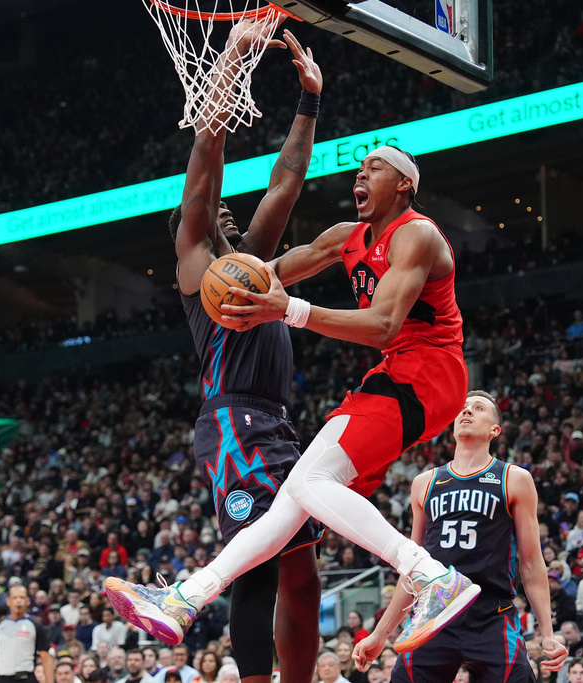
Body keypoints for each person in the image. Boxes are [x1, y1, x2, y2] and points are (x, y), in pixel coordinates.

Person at [109, 86, 476, 652]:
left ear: (404, 184)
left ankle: (430, 574)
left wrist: (309, 101)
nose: (359, 177)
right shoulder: (234, 263)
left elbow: (376, 322)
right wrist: (274, 291)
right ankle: (186, 597)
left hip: (424, 371)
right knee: (297, 504)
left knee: (305, 492)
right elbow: (264, 255)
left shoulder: (417, 232)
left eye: (373, 168)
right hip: (259, 409)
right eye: (357, 169)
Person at [105, 25, 325, 683]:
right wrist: (230, 61)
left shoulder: (249, 260)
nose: (227, 212)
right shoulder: (197, 261)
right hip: (234, 424)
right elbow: (207, 155)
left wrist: (308, 102)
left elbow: (285, 183)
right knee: (258, 569)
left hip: (273, 420)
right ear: (193, 231)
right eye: (214, 212)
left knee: (304, 572)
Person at [352, 392, 567, 682]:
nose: (467, 412)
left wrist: (548, 633)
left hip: (491, 614)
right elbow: (411, 569)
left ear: (495, 429)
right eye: (462, 408)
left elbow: (530, 562)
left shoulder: (513, 478)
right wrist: (380, 634)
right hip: (434, 616)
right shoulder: (424, 483)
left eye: (478, 409)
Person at [0, 585, 54, 683]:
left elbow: (46, 659)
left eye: (22, 597)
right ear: (8, 601)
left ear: (27, 601)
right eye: (15, 598)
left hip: (26, 678)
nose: (18, 600)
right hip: (2, 678)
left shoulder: (36, 626)